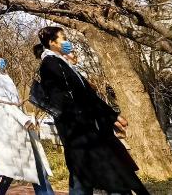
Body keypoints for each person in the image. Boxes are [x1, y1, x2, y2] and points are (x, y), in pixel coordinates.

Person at [33, 27, 150, 195]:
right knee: (109, 176)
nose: (67, 42)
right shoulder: (50, 64)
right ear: (52, 43)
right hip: (79, 131)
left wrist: (111, 116)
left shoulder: (60, 63)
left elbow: (87, 95)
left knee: (85, 177)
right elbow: (65, 99)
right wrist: (91, 118)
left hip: (83, 131)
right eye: (63, 38)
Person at [0, 43, 55, 195]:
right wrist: (24, 120)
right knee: (4, 174)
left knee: (38, 168)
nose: (3, 59)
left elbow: (14, 101)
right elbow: (4, 102)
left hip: (18, 129)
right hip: (6, 131)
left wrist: (24, 119)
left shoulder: (2, 75)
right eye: (0, 56)